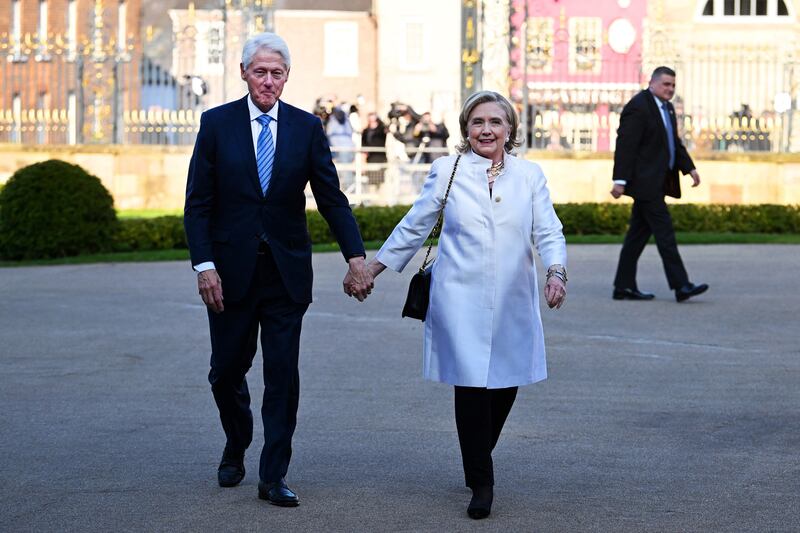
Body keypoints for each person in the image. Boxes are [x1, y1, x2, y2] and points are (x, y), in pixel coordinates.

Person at [183, 32, 373, 507]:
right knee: (226, 371)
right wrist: (204, 265)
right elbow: (198, 204)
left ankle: (273, 475)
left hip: (287, 273)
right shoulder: (216, 124)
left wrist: (355, 257)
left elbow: (330, 196)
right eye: (260, 71)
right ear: (244, 73)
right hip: (228, 274)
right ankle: (237, 438)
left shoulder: (307, 128)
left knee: (283, 375)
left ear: (287, 77)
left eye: (277, 73)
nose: (268, 81)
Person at [364, 91, 567, 519]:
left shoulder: (529, 176)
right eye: (478, 122)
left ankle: (477, 454)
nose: (486, 130)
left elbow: (548, 230)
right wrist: (372, 269)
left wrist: (556, 272)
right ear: (466, 129)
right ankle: (482, 479)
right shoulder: (447, 170)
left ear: (510, 129)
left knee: (506, 383)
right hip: (457, 296)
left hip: (513, 296)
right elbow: (415, 224)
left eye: (495, 122)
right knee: (472, 383)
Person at [610, 66, 709, 302]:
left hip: (658, 181)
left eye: (673, 85)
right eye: (666, 84)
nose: (670, 89)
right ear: (652, 83)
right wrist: (620, 180)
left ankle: (623, 286)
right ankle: (681, 285)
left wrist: (689, 168)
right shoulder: (638, 107)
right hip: (645, 184)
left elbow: (673, 143)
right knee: (665, 234)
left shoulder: (668, 108)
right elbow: (626, 145)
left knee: (637, 237)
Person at [360, 112, 388, 182]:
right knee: (371, 179)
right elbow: (363, 145)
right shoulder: (365, 131)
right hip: (370, 158)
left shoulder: (382, 129)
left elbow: (386, 130)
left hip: (380, 156)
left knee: (380, 179)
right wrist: (363, 160)